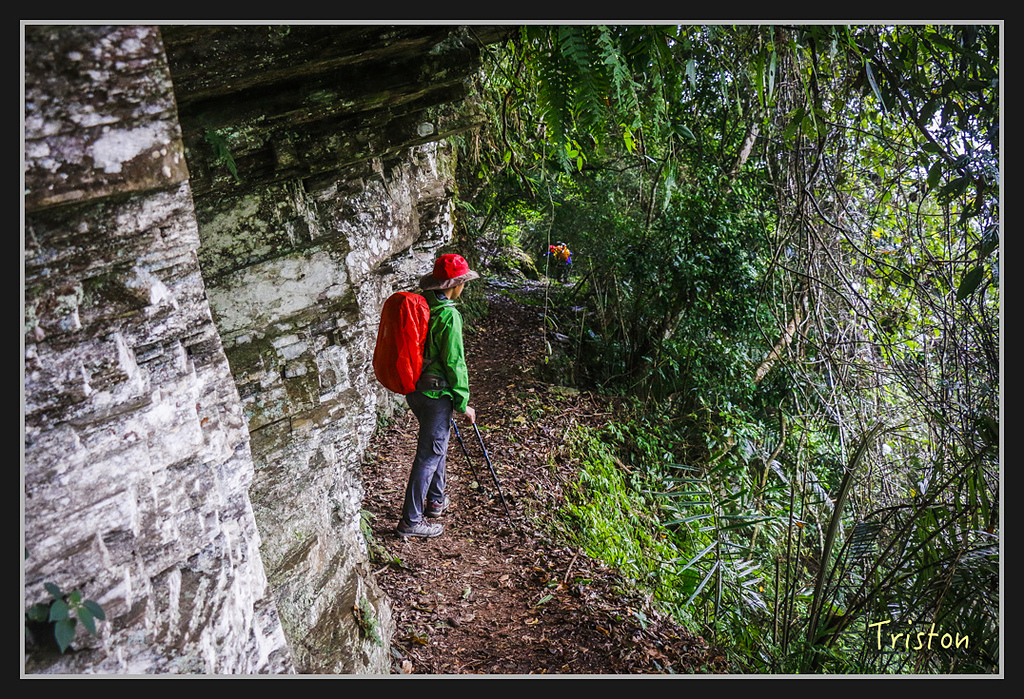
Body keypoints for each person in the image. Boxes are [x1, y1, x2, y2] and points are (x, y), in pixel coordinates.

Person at [397, 253, 479, 538]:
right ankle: (411, 520)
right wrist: (463, 402)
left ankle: (435, 500)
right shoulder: (448, 315)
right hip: (436, 394)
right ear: (455, 284)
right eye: (463, 282)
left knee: (437, 445)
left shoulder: (422, 306)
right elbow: (455, 362)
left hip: (415, 391)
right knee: (429, 455)